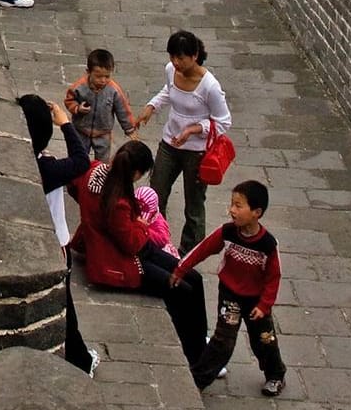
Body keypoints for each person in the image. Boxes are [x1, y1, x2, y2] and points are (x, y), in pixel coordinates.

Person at [70, 140, 208, 368]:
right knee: (181, 289)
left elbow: (74, 186)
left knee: (192, 276)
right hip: (122, 260)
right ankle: (196, 354)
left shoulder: (94, 170)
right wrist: (142, 225)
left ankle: (199, 339)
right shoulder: (117, 203)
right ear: (135, 173)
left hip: (135, 246)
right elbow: (131, 244)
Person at [172, 180, 288, 396]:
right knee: (222, 340)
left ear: (257, 212)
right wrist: (181, 269)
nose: (232, 210)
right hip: (230, 295)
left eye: (238, 205)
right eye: (231, 204)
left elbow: (274, 278)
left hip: (257, 301)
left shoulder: (268, 245)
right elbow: (203, 249)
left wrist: (264, 305)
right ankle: (198, 379)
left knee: (264, 340)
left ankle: (275, 375)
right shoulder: (227, 232)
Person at [133, 30, 232, 255]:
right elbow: (169, 92)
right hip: (170, 144)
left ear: (194, 56)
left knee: (194, 204)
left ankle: (191, 250)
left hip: (196, 152)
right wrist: (151, 106)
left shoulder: (210, 87)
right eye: (172, 57)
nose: (175, 63)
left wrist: (194, 129)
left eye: (181, 58)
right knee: (156, 192)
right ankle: (157, 240)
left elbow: (224, 122)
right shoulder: (171, 71)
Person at [18, 94, 94, 373]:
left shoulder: (25, 162)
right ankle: (81, 362)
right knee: (65, 306)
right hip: (56, 245)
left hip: (38, 242)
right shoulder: (46, 169)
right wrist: (65, 124)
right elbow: (81, 161)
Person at [66, 48, 135, 161]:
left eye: (107, 76)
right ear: (88, 72)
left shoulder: (114, 90)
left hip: (103, 133)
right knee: (78, 158)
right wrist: (77, 108)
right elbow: (69, 100)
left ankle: (98, 177)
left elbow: (123, 109)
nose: (103, 80)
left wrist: (129, 129)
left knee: (102, 162)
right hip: (81, 130)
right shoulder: (79, 87)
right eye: (98, 77)